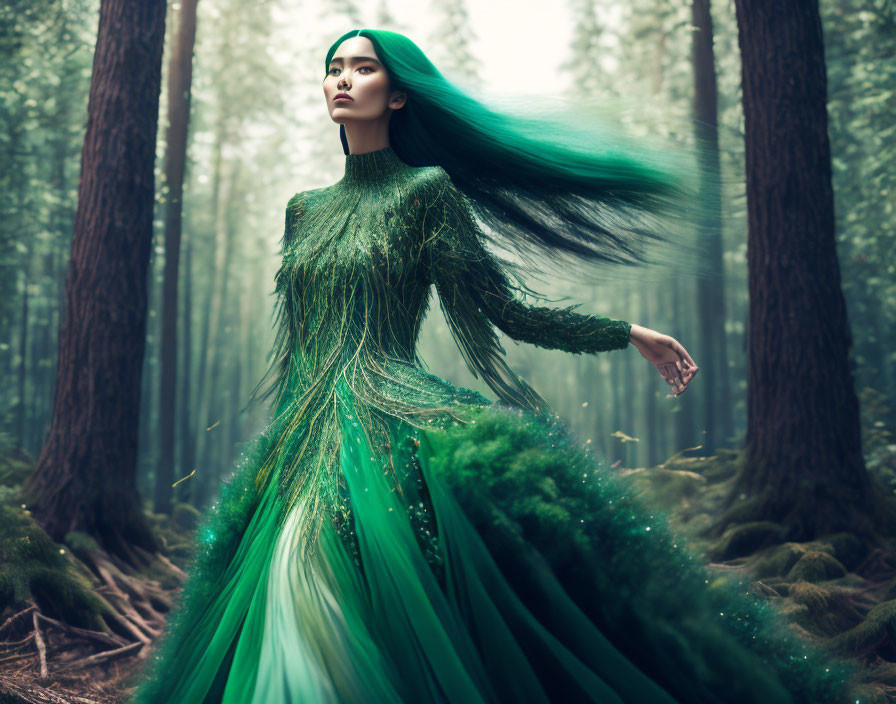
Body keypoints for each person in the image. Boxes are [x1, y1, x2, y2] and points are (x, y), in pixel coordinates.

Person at [128, 28, 858, 704]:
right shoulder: (303, 208)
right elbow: (300, 345)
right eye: (332, 69)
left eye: (363, 67)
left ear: (401, 91)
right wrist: (283, 440)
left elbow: (507, 310)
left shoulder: (427, 193)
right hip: (303, 434)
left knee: (372, 586)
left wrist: (627, 332)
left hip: (388, 415)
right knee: (286, 595)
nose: (343, 80)